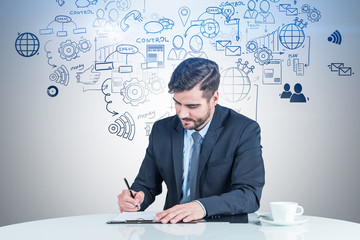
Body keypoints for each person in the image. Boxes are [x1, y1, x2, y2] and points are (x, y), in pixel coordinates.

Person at [117, 58, 265, 224]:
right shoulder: (161, 130)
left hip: (221, 229)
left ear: (214, 98)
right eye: (178, 103)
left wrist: (201, 207)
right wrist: (136, 199)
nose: (182, 114)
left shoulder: (244, 130)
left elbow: (249, 195)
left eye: (192, 106)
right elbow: (146, 185)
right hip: (173, 229)